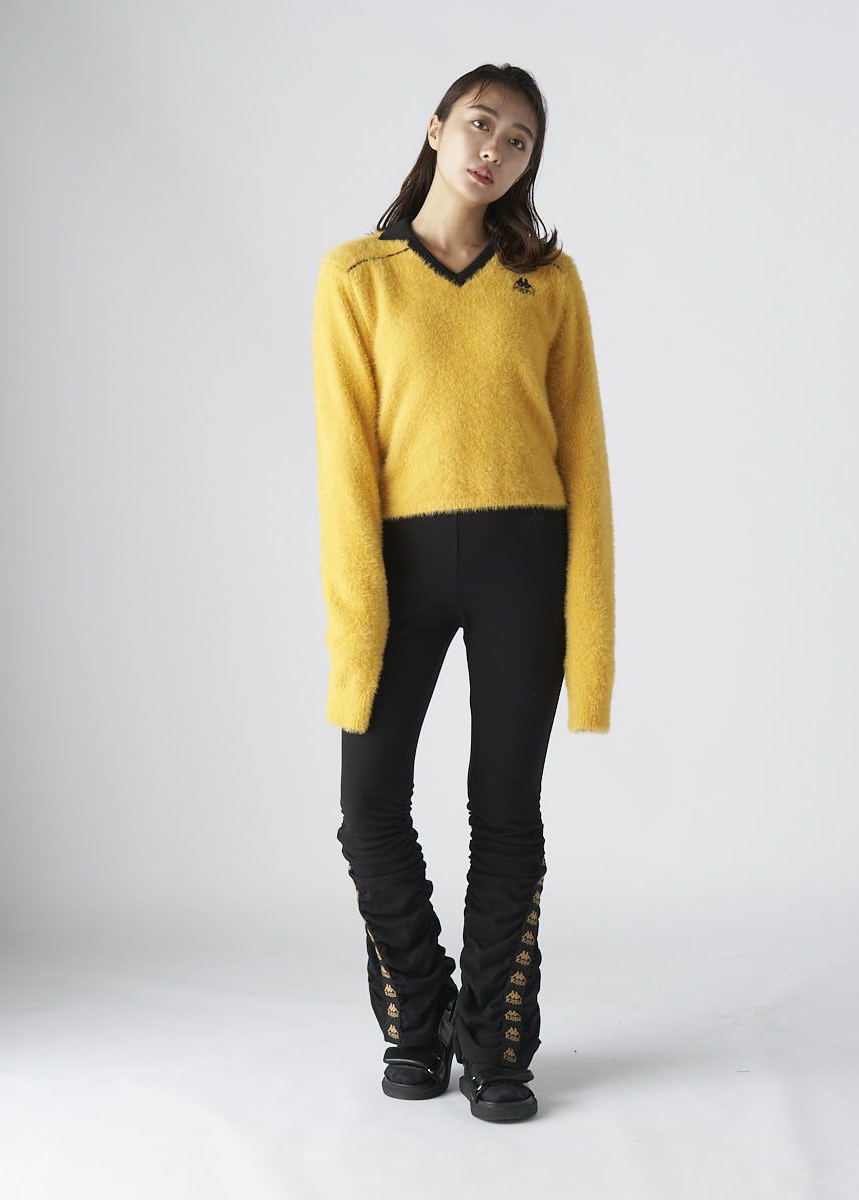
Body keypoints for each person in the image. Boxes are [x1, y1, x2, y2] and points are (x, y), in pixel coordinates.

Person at [311, 63, 615, 1123]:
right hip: (397, 566)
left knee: (506, 812)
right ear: (436, 128)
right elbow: (343, 464)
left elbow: (585, 458)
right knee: (367, 808)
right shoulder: (357, 276)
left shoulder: (550, 282)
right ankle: (419, 1016)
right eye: (481, 124)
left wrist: (593, 630)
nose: (495, 149)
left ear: (529, 163)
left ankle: (496, 1044)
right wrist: (354, 610)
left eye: (519, 140)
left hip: (524, 557)